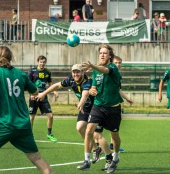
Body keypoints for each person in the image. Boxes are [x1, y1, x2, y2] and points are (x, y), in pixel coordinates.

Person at [0, 46, 54, 174]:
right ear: (11, 58)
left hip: (6, 123)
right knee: (38, 159)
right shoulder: (21, 74)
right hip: (23, 125)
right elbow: (35, 91)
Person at [36, 64, 104, 164]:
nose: (75, 74)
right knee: (80, 127)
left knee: (98, 134)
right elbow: (56, 85)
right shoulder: (70, 80)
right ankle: (97, 149)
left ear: (82, 72)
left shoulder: (87, 81)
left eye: (78, 72)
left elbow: (85, 95)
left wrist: (80, 104)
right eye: (74, 72)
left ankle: (111, 157)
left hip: (95, 108)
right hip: (85, 108)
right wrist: (43, 93)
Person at [78, 44, 123, 172]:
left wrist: (92, 66)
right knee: (89, 131)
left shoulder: (112, 67)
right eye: (100, 53)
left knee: (114, 136)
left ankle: (115, 157)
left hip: (113, 108)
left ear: (110, 56)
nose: (102, 55)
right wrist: (92, 90)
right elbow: (94, 86)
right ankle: (86, 160)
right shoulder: (96, 70)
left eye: (105, 53)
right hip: (98, 106)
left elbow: (105, 71)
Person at [93, 55, 133, 154]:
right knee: (97, 128)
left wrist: (127, 98)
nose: (118, 65)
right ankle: (98, 147)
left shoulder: (117, 75)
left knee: (113, 129)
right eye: (116, 63)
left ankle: (111, 146)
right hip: (100, 104)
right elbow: (95, 85)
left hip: (112, 105)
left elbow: (118, 90)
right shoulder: (103, 72)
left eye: (119, 63)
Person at [28, 55, 58, 142]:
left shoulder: (47, 72)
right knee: (31, 117)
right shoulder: (32, 71)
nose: (42, 64)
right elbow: (28, 83)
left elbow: (50, 83)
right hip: (34, 97)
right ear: (38, 62)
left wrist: (54, 91)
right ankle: (29, 135)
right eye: (41, 62)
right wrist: (31, 94)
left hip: (43, 97)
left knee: (50, 115)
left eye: (44, 62)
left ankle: (49, 134)